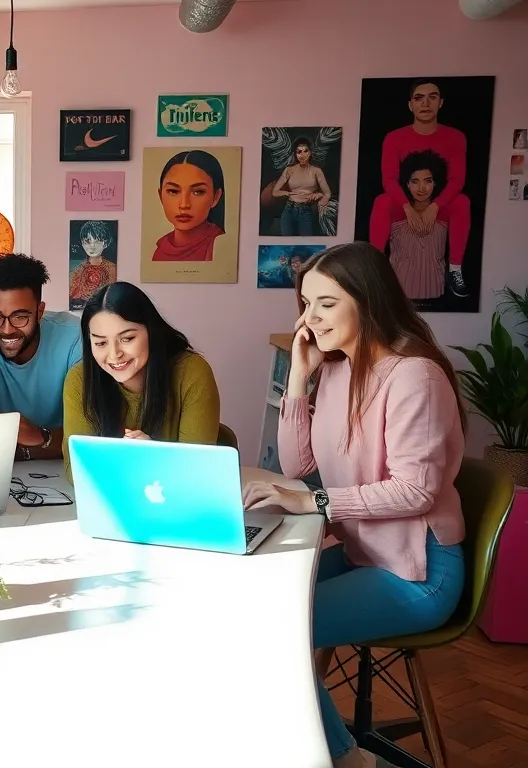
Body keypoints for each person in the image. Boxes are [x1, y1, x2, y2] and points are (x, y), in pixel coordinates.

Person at [243, 241, 466, 768]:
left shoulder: (414, 375)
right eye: (305, 303)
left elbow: (417, 490)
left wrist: (315, 504)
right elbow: (297, 464)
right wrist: (299, 375)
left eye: (325, 303)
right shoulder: (338, 367)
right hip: (369, 553)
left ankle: (347, 760)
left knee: (277, 627)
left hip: (418, 573)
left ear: (365, 300)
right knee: (253, 603)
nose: (309, 317)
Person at [61, 282, 220, 479]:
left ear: (151, 332)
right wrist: (143, 464)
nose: (114, 354)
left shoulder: (191, 373)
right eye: (101, 343)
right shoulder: (80, 380)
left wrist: (152, 456)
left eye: (127, 339)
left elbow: (197, 471)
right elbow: (77, 471)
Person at [0, 253, 82, 461]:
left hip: (65, 470)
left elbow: (86, 437)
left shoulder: (74, 336)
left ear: (40, 311)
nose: (7, 330)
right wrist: (50, 443)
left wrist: (39, 436)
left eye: (20, 317)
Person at [366, 79, 471, 298]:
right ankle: (374, 268)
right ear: (410, 105)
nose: (425, 104)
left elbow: (457, 180)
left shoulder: (455, 137)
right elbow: (389, 179)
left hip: (438, 204)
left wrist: (435, 206)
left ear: (440, 103)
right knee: (382, 201)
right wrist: (408, 208)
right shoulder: (394, 138)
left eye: (432, 97)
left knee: (462, 201)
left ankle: (455, 269)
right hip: (404, 203)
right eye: (418, 98)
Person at [388, 150, 451, 301]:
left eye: (427, 181)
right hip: (399, 293)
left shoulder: (446, 214)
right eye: (415, 181)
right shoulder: (394, 213)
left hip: (436, 290)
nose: (422, 187)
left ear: (435, 183)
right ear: (407, 184)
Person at [150, 149, 227, 262]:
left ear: (216, 197)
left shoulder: (219, 246)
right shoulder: (161, 248)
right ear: (160, 196)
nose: (184, 204)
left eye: (198, 192)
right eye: (173, 191)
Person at [271, 136, 332, 236]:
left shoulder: (316, 171)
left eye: (305, 151)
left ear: (310, 152)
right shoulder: (289, 170)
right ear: (295, 154)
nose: (302, 155)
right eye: (299, 152)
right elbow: (275, 192)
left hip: (306, 211)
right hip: (289, 210)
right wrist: (288, 193)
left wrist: (320, 198)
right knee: (287, 244)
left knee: (306, 244)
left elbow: (327, 193)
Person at [69, 220, 118, 304]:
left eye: (97, 241)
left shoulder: (112, 269)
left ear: (105, 243)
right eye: (87, 242)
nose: (92, 246)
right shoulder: (78, 271)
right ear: (82, 244)